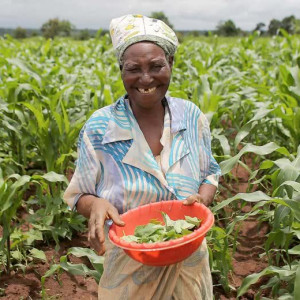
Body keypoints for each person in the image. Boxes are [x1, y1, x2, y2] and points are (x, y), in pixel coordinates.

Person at [64, 14, 221, 300]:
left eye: (157, 66)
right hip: (131, 267)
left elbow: (210, 171)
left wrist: (201, 200)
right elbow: (79, 195)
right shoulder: (100, 127)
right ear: (121, 70)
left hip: (189, 261)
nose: (146, 78)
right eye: (133, 69)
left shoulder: (192, 117)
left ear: (170, 64)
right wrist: (96, 204)